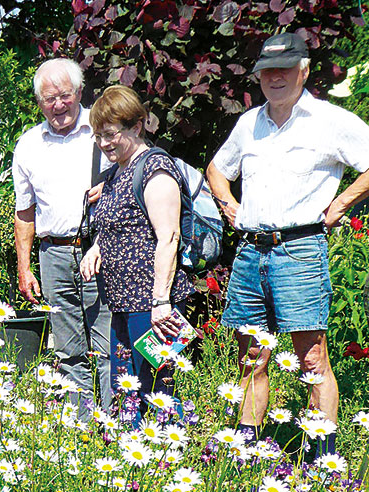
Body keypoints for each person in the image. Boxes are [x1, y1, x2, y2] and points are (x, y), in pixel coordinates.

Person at [206, 32, 369, 455]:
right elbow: (217, 169)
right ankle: (244, 454)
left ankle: (322, 458)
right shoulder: (249, 123)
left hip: (299, 251)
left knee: (311, 361)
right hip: (249, 252)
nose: (274, 77)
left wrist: (342, 204)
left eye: (284, 68)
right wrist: (229, 207)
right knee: (252, 359)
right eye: (266, 71)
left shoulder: (331, 121)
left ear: (304, 70)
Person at [80, 85, 195, 419]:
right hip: (122, 302)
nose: (104, 143)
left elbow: (169, 237)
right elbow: (121, 222)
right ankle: (132, 461)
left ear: (137, 126)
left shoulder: (155, 168)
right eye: (98, 136)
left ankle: (166, 460)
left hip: (153, 304)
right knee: (126, 389)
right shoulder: (117, 172)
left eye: (111, 134)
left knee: (157, 390)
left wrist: (161, 302)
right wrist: (97, 248)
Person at [13, 58, 112, 412]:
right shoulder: (28, 145)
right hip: (53, 254)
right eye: (49, 99)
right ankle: (82, 426)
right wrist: (25, 268)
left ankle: (114, 422)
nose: (58, 105)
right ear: (39, 103)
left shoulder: (104, 133)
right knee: (68, 349)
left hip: (101, 250)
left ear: (80, 93)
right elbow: (24, 212)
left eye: (64, 96)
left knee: (106, 345)